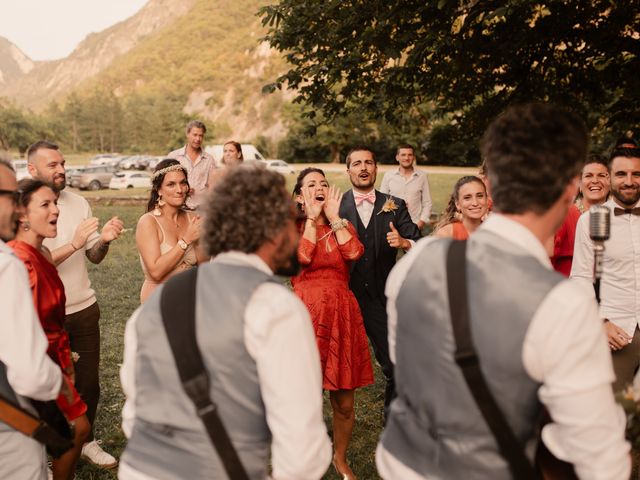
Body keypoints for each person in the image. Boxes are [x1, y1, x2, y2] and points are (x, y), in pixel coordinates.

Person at [377, 104, 631, 479]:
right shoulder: (563, 304)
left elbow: (405, 361)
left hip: (401, 463)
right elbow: (599, 460)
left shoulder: (419, 260)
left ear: (490, 187)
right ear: (570, 188)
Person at [119, 167, 332, 479]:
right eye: (293, 222)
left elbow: (134, 413)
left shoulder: (156, 305)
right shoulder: (275, 306)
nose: (296, 232)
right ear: (271, 229)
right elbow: (303, 447)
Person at [27, 140, 123, 469]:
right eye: (53, 165)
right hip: (42, 315)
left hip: (82, 308)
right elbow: (32, 262)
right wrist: (74, 243)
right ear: (32, 170)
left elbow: (93, 256)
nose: (62, 170)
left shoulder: (79, 202)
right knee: (43, 386)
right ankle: (44, 446)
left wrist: (104, 241)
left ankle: (87, 441)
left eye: (63, 163)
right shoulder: (22, 209)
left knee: (88, 383)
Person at [291, 168, 374, 480]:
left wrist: (335, 218)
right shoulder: (293, 227)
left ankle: (339, 458)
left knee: (344, 402)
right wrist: (312, 220)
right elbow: (300, 258)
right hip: (304, 317)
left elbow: (353, 251)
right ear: (300, 196)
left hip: (341, 315)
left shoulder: (344, 225)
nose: (319, 188)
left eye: (323, 183)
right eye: (311, 185)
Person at [9, 179, 91, 480]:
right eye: (46, 204)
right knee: (73, 429)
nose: (56, 209)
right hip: (34, 361)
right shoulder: (18, 261)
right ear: (22, 215)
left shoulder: (41, 254)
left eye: (55, 203)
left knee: (76, 429)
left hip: (56, 354)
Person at [338, 147, 421, 418]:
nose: (363, 168)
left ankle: (393, 418)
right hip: (343, 296)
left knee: (398, 363)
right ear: (348, 170)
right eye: (357, 163)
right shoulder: (336, 206)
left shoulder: (394, 204)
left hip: (380, 297)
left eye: (368, 163)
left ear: (376, 168)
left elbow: (420, 240)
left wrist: (405, 242)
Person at [0, 157, 68, 480]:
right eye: (10, 197)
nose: (16, 207)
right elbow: (30, 374)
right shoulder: (8, 264)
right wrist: (59, 383)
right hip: (11, 426)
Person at [571, 144, 640, 391]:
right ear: (610, 178)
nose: (629, 181)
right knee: (614, 415)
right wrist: (601, 321)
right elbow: (580, 277)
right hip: (616, 333)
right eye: (621, 174)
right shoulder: (591, 220)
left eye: (636, 174)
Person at [136, 159, 205, 303]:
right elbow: (156, 272)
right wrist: (186, 240)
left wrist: (204, 238)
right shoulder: (148, 222)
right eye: (171, 184)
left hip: (190, 297)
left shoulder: (192, 217)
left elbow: (204, 265)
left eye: (183, 182)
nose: (179, 190)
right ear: (159, 190)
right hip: (159, 300)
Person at [551, 154, 610, 275]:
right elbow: (547, 261)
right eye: (588, 176)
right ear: (580, 184)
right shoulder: (564, 215)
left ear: (610, 182)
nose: (595, 181)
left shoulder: (618, 216)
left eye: (601, 176)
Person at [380, 144, 432, 230]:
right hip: (393, 224)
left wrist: (421, 222)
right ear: (397, 157)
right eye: (403, 155)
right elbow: (382, 200)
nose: (406, 158)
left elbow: (427, 203)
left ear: (414, 157)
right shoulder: (388, 175)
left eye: (410, 155)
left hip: (414, 224)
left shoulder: (422, 176)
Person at [167, 120, 216, 209]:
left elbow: (213, 187)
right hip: (178, 208)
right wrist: (183, 189)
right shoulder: (174, 157)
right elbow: (166, 183)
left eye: (201, 135)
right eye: (195, 135)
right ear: (187, 134)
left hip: (201, 210)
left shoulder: (209, 160)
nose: (198, 139)